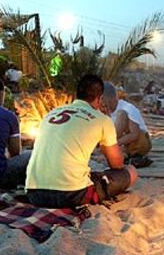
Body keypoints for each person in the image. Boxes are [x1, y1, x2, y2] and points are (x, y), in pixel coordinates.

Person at [25, 75, 138, 208]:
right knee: (131, 171)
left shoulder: (52, 113)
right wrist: (106, 122)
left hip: (34, 194)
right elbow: (117, 164)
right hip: (72, 194)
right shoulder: (102, 119)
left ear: (76, 95)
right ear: (100, 98)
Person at [101, 82, 152, 168]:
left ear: (114, 98)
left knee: (122, 114)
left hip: (140, 143)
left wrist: (113, 144)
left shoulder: (127, 108)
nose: (104, 107)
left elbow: (134, 134)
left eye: (106, 104)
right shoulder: (104, 112)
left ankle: (110, 148)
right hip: (125, 146)